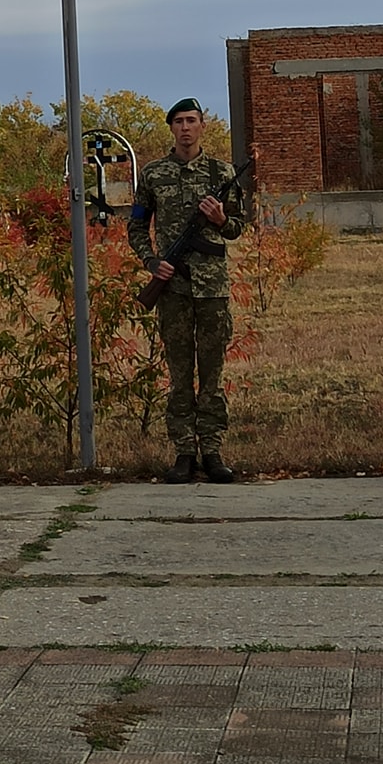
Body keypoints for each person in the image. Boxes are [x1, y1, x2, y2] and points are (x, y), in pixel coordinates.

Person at [127, 96, 244, 484]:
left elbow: (238, 228)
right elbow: (136, 227)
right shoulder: (154, 174)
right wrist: (151, 261)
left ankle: (212, 450)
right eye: (178, 121)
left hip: (212, 288)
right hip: (173, 288)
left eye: (191, 120)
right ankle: (183, 451)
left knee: (211, 372)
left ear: (202, 126)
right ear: (171, 128)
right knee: (179, 373)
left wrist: (220, 217)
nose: (185, 127)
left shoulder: (221, 171)